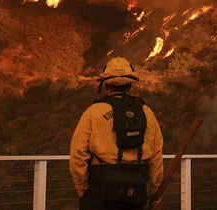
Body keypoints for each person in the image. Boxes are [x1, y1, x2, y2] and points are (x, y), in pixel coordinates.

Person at [70, 57, 164, 210]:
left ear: (105, 85)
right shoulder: (146, 113)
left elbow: (78, 153)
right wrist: (155, 192)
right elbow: (156, 156)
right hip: (135, 189)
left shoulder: (93, 112)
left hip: (99, 191)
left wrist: (81, 187)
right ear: (130, 85)